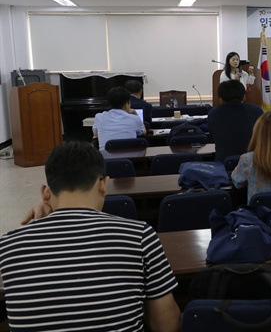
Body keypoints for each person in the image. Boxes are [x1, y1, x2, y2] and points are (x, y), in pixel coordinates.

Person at [0, 141, 180, 331]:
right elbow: (165, 322)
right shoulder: (140, 236)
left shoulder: (9, 245)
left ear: (45, 193)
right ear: (103, 184)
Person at [208, 79, 264, 162]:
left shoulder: (214, 113)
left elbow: (212, 139)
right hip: (252, 164)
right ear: (244, 96)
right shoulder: (257, 111)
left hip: (224, 165)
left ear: (221, 99)